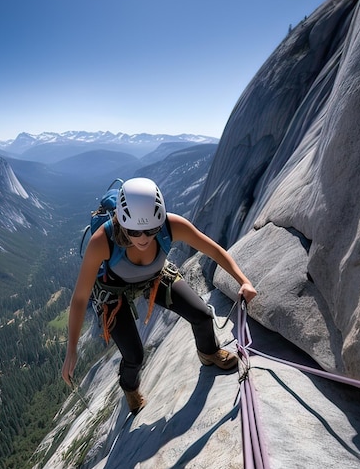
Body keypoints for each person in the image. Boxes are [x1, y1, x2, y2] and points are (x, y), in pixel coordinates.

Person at [62, 177, 257, 415]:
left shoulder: (171, 225)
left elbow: (213, 250)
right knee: (134, 356)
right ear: (122, 222)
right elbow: (80, 298)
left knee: (202, 315)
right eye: (135, 231)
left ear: (160, 220)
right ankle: (130, 388)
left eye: (151, 230)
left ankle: (209, 353)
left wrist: (244, 281)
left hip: (155, 276)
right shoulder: (103, 241)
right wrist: (72, 348)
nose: (143, 238)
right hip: (112, 293)